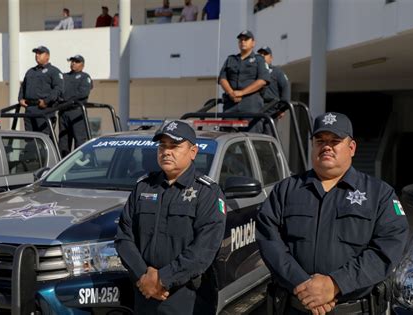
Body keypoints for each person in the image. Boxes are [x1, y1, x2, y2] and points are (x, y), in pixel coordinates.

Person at [256, 112, 409, 315]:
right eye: (320, 140)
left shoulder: (379, 194)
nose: (326, 146)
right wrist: (303, 285)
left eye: (335, 140)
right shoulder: (286, 190)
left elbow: (388, 247)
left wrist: (335, 284)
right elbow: (269, 240)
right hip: (295, 307)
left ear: (351, 147)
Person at [116, 120, 227, 315]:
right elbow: (124, 236)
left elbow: (204, 249)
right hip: (145, 294)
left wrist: (163, 279)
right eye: (162, 146)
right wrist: (144, 277)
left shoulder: (207, 192)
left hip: (187, 296)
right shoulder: (143, 187)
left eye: (175, 146)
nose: (166, 152)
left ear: (193, 152)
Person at [218, 30, 270, 114]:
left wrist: (241, 93)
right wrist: (231, 93)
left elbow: (262, 81)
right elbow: (222, 79)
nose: (243, 42)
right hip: (231, 103)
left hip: (251, 104)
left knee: (253, 127)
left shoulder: (259, 59)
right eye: (241, 40)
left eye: (246, 39)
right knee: (227, 127)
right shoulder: (231, 59)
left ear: (253, 43)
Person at [18, 46, 64, 137]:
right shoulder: (30, 71)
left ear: (47, 56)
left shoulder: (54, 71)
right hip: (29, 109)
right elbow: (23, 87)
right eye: (36, 53)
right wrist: (20, 99)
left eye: (40, 53)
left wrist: (46, 101)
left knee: (43, 138)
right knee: (29, 138)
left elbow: (58, 89)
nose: (37, 55)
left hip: (44, 109)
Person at [58, 55, 93, 158]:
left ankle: (80, 163)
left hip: (76, 112)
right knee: (63, 140)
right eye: (72, 61)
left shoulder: (85, 76)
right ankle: (62, 162)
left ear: (82, 65)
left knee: (79, 139)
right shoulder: (64, 76)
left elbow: (82, 93)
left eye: (76, 62)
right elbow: (58, 91)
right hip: (63, 112)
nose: (73, 63)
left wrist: (65, 99)